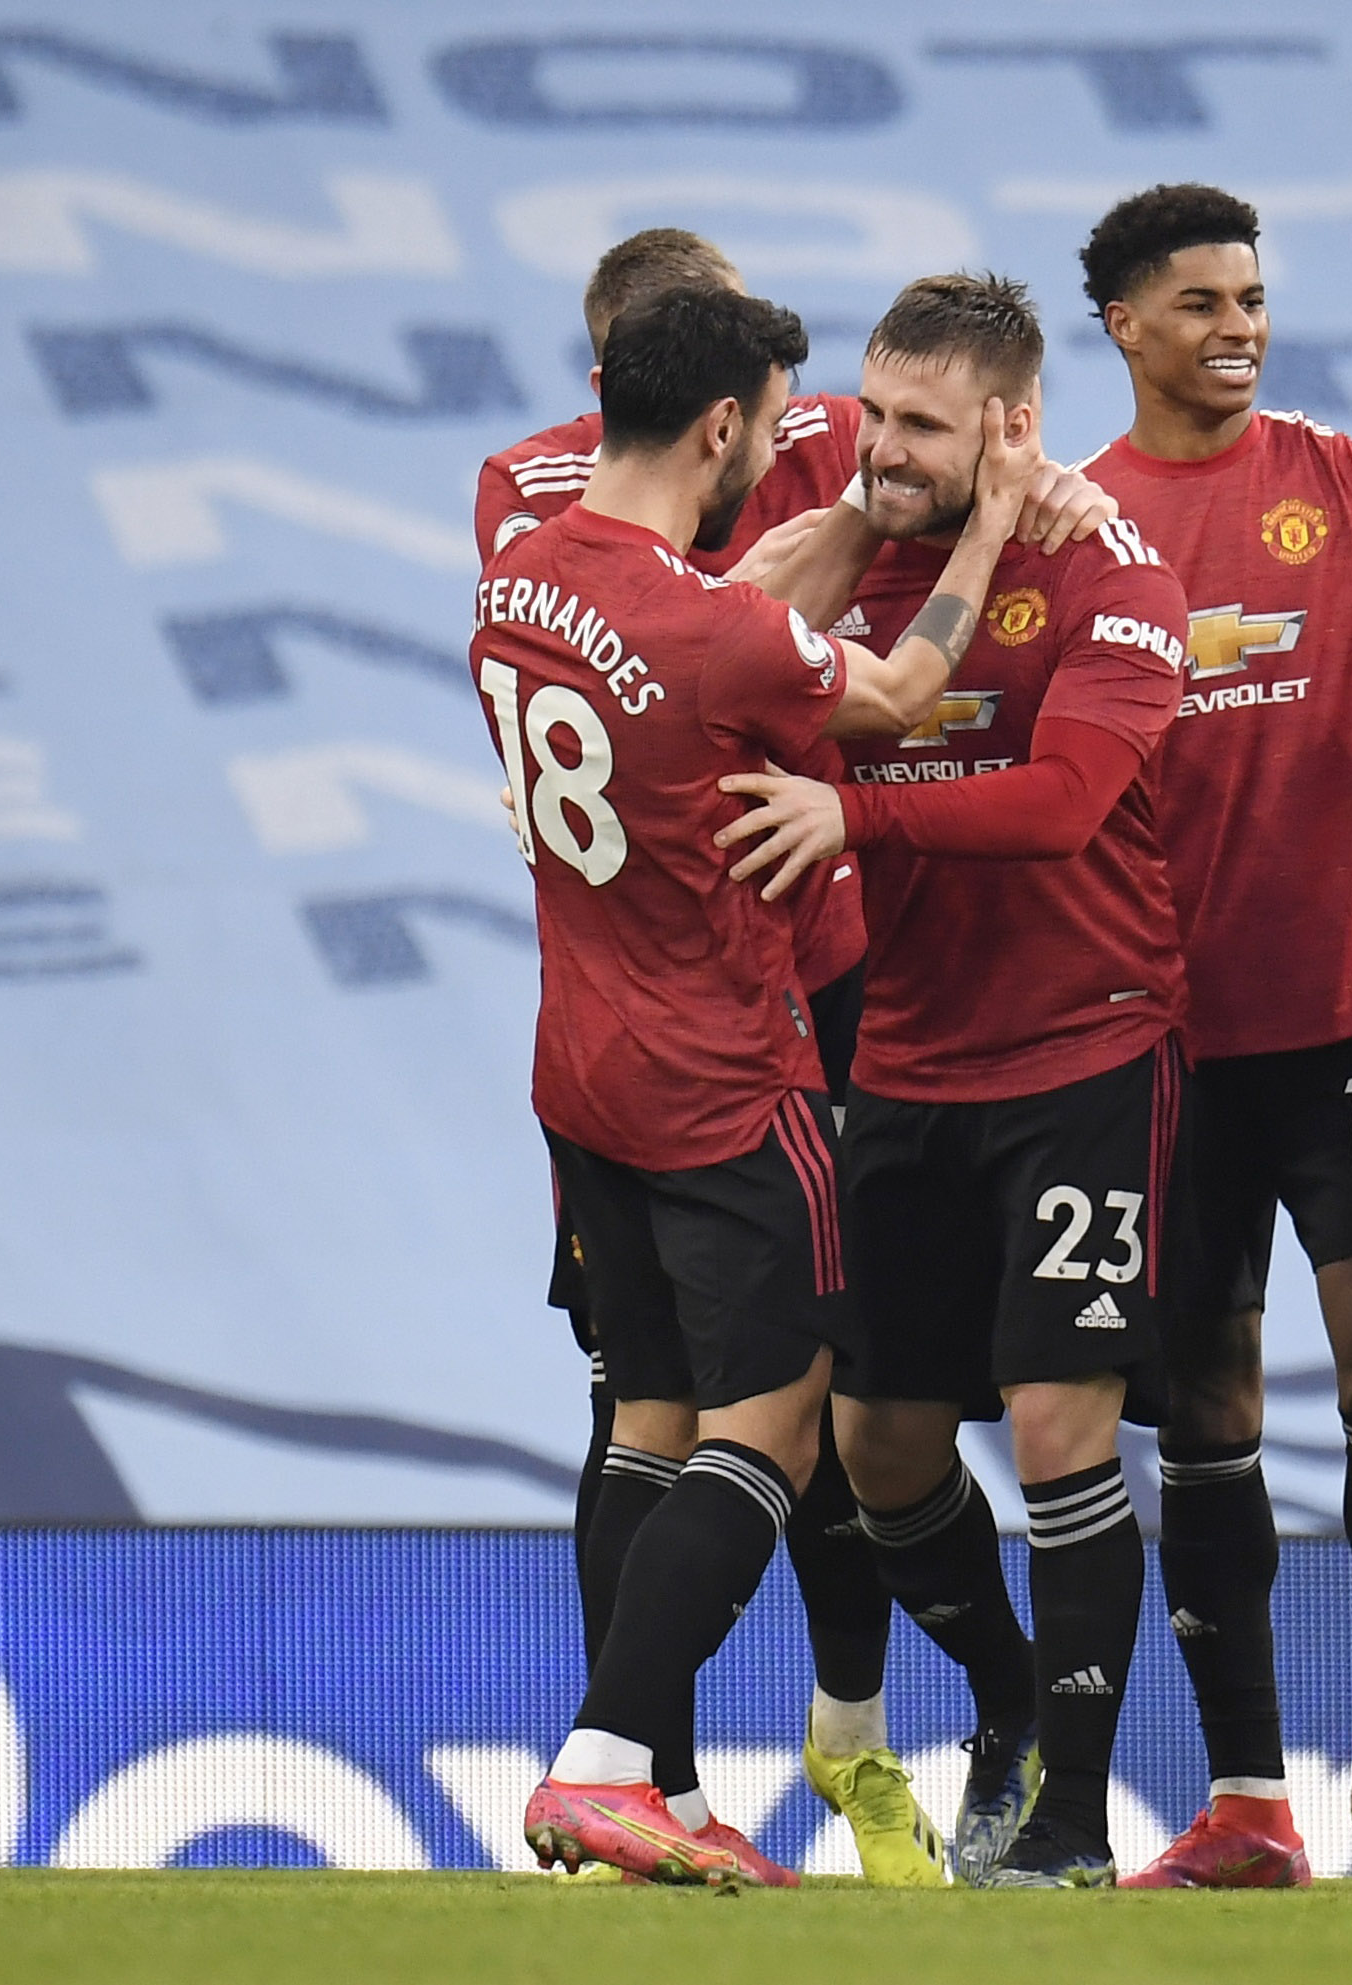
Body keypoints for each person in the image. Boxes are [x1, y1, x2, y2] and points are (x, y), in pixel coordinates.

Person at [475, 229, 1119, 1884]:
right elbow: (892, 692)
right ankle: (605, 1763)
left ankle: (673, 1793)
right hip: (723, 1074)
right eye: (774, 424)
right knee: (772, 1425)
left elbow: (733, 610)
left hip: (579, 1071)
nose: (793, 447)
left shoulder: (520, 571)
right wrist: (990, 527)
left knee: (645, 1418)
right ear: (719, 430)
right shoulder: (712, 630)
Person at [714, 273, 1193, 1890]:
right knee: (882, 1449)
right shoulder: (852, 563)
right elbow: (717, 634)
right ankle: (1008, 1696)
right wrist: (871, 515)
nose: (882, 446)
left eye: (921, 423)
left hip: (1084, 1048)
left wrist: (859, 814)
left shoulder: (1114, 569)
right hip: (906, 1060)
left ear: (1013, 422)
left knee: (1059, 1422)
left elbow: (1064, 804)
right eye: (874, 412)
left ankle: (1068, 1823)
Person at [1064, 182, 1352, 1891]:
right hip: (1160, 1044)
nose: (1239, 327)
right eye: (1202, 303)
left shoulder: (1351, 482)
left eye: (1251, 298)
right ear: (1123, 327)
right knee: (1204, 1412)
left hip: (1348, 1021)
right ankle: (1247, 1804)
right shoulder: (1076, 523)